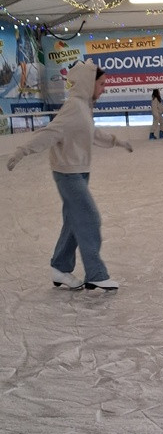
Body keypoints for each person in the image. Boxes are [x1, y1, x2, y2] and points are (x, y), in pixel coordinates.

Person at [6, 59, 133, 291]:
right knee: (89, 217)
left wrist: (117, 141)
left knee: (74, 222)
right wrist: (22, 150)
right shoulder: (74, 107)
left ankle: (60, 267)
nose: (104, 89)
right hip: (68, 174)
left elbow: (92, 133)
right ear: (88, 82)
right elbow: (51, 132)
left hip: (80, 172)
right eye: (101, 84)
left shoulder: (83, 106)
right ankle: (96, 273)